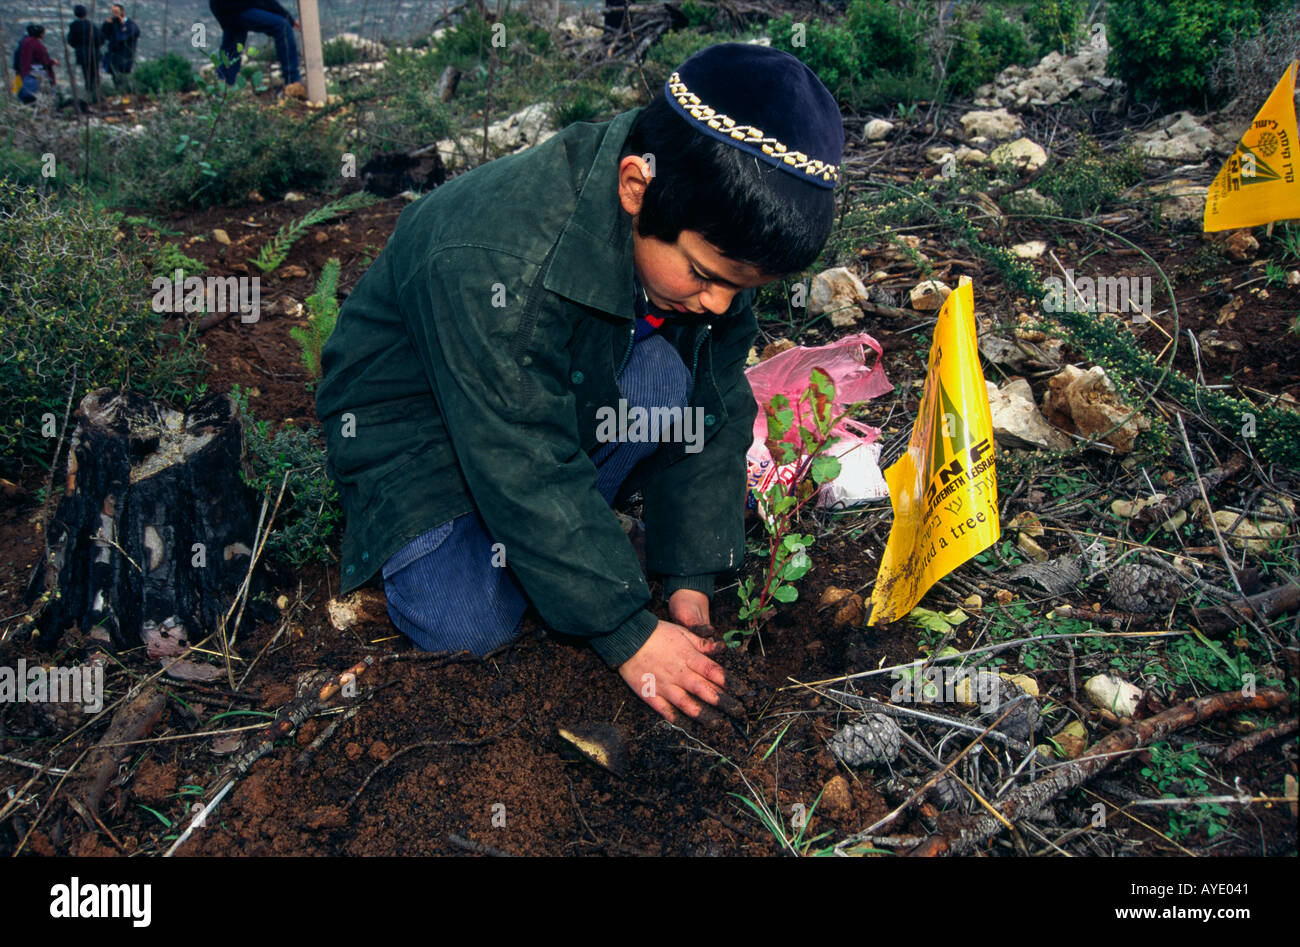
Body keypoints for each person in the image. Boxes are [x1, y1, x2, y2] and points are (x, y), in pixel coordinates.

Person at [314, 44, 844, 725]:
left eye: (740, 288)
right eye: (708, 277)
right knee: (468, 625)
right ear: (634, 188)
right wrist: (628, 631)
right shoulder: (498, 258)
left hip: (539, 387)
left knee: (665, 380)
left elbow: (712, 412)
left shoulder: (699, 210)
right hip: (419, 421)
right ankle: (546, 553)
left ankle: (564, 551)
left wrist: (689, 581)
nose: (718, 304)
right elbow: (521, 458)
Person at [208, 0, 306, 99]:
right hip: (238, 7)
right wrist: (287, 17)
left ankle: (223, 89)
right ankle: (292, 82)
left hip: (224, 9)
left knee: (233, 43)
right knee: (282, 26)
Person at [14, 24, 57, 105]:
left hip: (24, 70)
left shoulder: (24, 41)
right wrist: (52, 62)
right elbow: (43, 59)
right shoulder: (36, 43)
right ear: (40, 34)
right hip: (34, 71)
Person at [67, 4, 102, 99]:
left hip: (81, 53)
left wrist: (79, 46)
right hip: (94, 52)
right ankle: (97, 94)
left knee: (86, 75)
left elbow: (70, 40)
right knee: (95, 74)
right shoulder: (91, 25)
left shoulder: (73, 26)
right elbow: (100, 39)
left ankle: (89, 94)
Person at [101, 3, 140, 87]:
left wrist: (122, 25)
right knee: (115, 76)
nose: (115, 15)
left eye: (116, 12)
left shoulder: (130, 24)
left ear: (122, 12)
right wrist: (107, 24)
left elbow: (123, 37)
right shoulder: (113, 24)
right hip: (114, 55)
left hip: (125, 55)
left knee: (124, 76)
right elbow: (105, 35)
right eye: (113, 12)